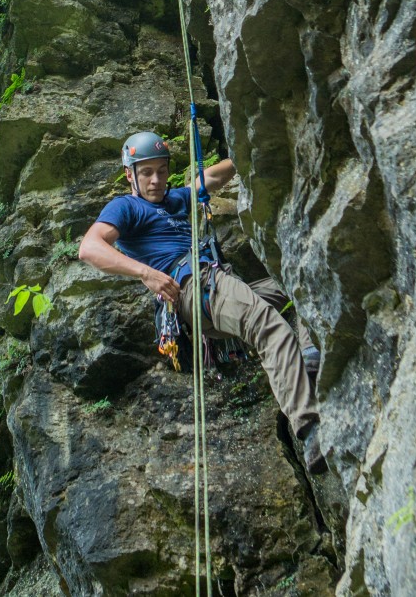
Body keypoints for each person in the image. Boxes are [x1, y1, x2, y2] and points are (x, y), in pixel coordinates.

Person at [78, 131, 326, 474]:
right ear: (129, 175)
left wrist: (246, 150)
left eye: (161, 171)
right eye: (146, 172)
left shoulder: (178, 199)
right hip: (195, 287)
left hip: (219, 284)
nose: (155, 180)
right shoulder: (126, 207)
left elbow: (209, 178)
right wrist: (144, 273)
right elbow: (89, 248)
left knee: (301, 284)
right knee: (267, 325)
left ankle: (308, 359)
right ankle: (310, 428)